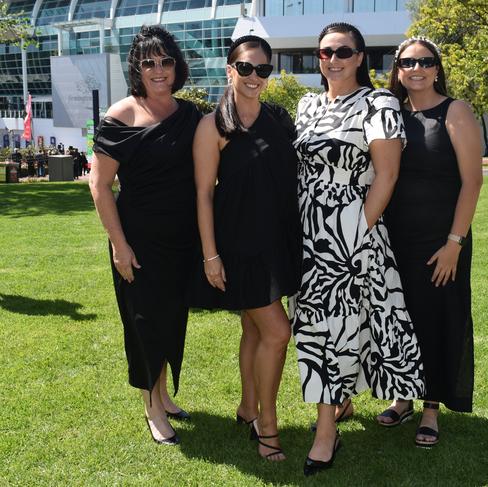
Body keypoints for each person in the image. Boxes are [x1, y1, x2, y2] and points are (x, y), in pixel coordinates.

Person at [291, 22, 424, 476]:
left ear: (361, 56)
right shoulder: (306, 105)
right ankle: (340, 403)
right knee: (319, 326)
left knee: (333, 329)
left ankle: (325, 433)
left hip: (352, 235)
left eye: (343, 51)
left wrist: (352, 234)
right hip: (308, 234)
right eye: (325, 52)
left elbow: (386, 176)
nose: (333, 59)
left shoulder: (379, 103)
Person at [188, 35, 300, 462]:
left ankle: (246, 407)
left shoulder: (279, 118)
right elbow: (203, 195)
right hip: (238, 247)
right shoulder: (212, 125)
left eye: (264, 69)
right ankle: (267, 428)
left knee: (254, 329)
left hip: (278, 241)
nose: (255, 77)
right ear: (230, 70)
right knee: (277, 331)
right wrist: (210, 255)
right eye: (247, 68)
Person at [89, 25, 202, 446]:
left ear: (177, 67)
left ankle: (164, 394)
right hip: (136, 240)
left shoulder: (189, 115)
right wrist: (120, 245)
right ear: (137, 68)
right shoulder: (120, 116)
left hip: (181, 240)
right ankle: (151, 406)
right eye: (148, 62)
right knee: (142, 323)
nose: (158, 70)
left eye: (165, 61)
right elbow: (99, 186)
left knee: (172, 320)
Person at [380, 36, 482, 448]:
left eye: (425, 61)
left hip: (443, 240)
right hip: (395, 239)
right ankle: (402, 395)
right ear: (398, 71)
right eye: (408, 62)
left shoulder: (454, 111)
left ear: (437, 68)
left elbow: (472, 181)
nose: (416, 69)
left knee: (438, 319)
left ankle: (430, 408)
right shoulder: (389, 114)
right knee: (402, 318)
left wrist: (454, 242)